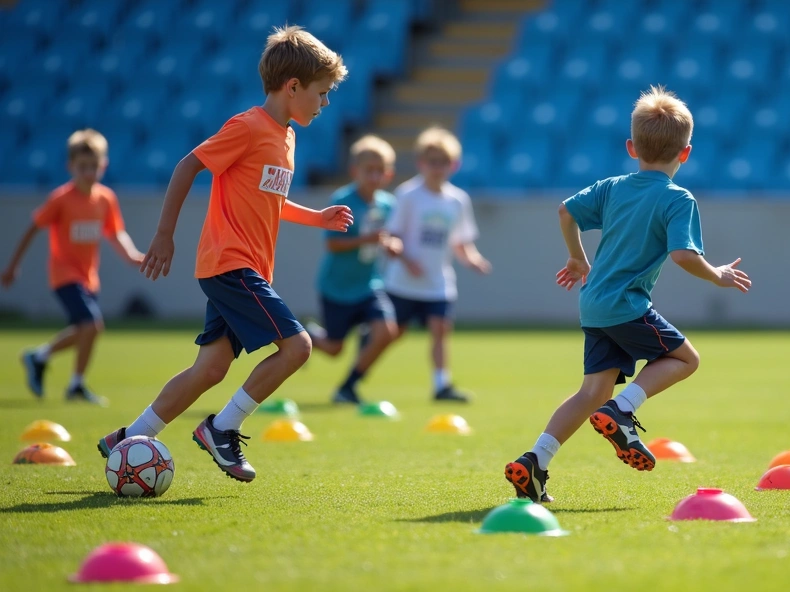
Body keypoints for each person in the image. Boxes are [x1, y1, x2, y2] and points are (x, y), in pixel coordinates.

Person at [96, 26, 352, 483]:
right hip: (230, 263)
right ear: (293, 87)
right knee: (298, 345)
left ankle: (128, 438)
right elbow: (187, 165)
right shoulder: (248, 126)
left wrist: (319, 217)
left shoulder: (287, 137)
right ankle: (222, 427)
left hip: (246, 268)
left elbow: (271, 200)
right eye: (322, 92)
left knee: (211, 368)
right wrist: (163, 235)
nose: (325, 102)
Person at [504, 86, 752, 503]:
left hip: (594, 304)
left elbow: (566, 211)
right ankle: (623, 410)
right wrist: (717, 276)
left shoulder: (614, 186)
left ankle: (535, 462)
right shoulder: (678, 199)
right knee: (686, 358)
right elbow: (682, 255)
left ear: (631, 147)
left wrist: (577, 259)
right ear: (686, 153)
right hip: (626, 306)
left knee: (591, 393)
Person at [2, 128, 144, 405]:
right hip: (63, 274)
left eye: (94, 166)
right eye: (83, 167)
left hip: (88, 276)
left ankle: (46, 362)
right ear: (71, 166)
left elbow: (115, 232)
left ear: (103, 165)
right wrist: (12, 266)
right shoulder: (61, 199)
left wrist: (131, 254)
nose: (89, 172)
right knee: (92, 325)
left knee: (85, 329)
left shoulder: (105, 199)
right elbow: (33, 228)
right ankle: (69, 379)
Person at [383, 126, 491, 403]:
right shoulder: (407, 195)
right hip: (403, 281)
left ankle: (441, 385)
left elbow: (461, 242)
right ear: (421, 163)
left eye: (444, 162)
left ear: (453, 165)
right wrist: (407, 260)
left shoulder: (457, 200)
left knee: (441, 329)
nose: (438, 168)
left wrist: (474, 260)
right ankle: (356, 372)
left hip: (437, 282)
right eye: (432, 162)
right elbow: (392, 234)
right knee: (391, 334)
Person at [306, 135, 402, 404]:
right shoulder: (343, 200)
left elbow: (388, 236)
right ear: (354, 171)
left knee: (387, 331)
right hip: (336, 287)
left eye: (379, 171)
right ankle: (310, 335)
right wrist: (367, 240)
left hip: (369, 285)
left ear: (388, 173)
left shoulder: (387, 205)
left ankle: (348, 387)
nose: (374, 176)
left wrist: (393, 245)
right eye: (368, 170)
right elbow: (333, 244)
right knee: (335, 348)